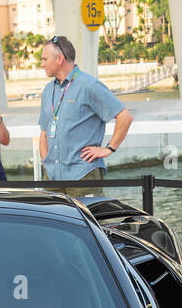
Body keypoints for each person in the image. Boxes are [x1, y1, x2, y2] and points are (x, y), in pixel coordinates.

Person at [39, 34, 133, 195]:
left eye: (45, 59)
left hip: (82, 175)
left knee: (86, 220)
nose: (42, 64)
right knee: (55, 221)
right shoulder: (48, 90)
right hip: (52, 177)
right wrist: (46, 162)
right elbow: (44, 132)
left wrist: (108, 149)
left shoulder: (88, 85)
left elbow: (125, 116)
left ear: (60, 59)